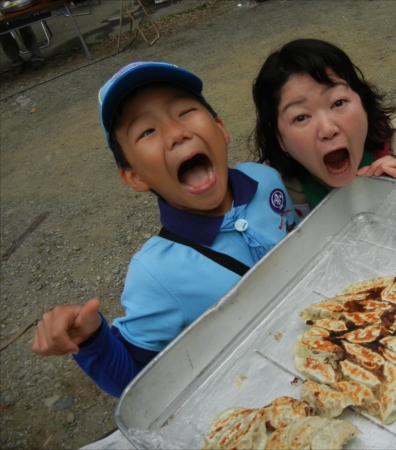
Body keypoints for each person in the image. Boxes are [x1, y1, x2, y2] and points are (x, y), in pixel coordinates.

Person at [31, 62, 299, 397]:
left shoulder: (264, 179)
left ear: (221, 129)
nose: (176, 133)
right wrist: (92, 339)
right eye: (146, 132)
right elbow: (136, 386)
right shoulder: (155, 274)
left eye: (185, 111)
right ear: (135, 177)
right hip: (271, 389)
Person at [252, 38, 396, 217]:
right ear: (280, 138)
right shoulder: (276, 191)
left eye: (338, 103)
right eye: (300, 117)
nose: (327, 129)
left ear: (363, 102)